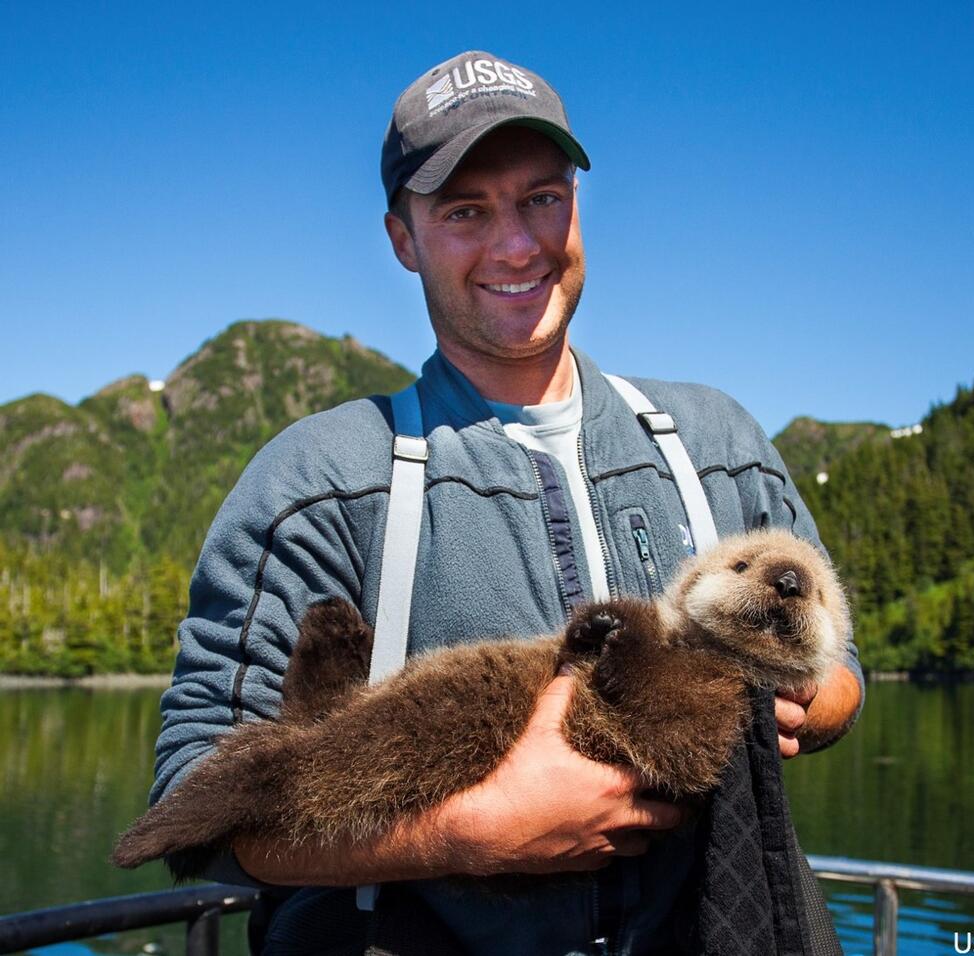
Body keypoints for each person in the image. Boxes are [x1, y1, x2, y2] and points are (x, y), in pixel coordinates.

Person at [150, 50, 864, 953]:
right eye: (463, 211)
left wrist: (806, 695)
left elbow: (844, 678)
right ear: (402, 239)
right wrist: (469, 835)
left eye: (541, 198)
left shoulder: (719, 444)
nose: (518, 244)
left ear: (575, 202)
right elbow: (196, 794)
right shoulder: (318, 481)